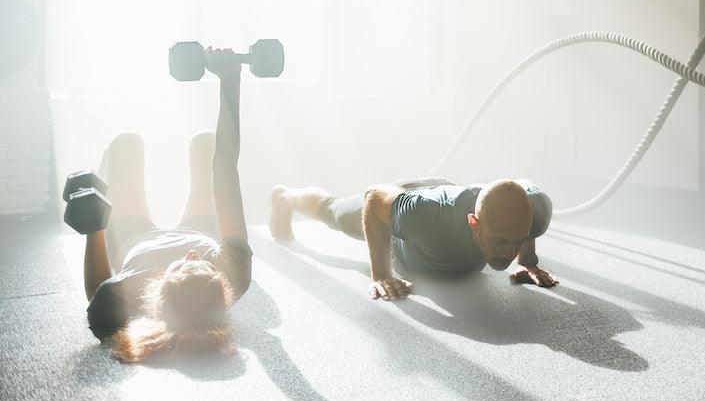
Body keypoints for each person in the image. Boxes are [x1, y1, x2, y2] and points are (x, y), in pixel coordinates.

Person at [82, 49, 252, 362]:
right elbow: (226, 168)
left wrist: (94, 225)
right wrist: (230, 80)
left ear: (158, 293)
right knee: (207, 143)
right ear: (221, 286)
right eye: (205, 265)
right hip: (200, 230)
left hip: (136, 241)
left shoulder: (132, 292)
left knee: (126, 143)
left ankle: (109, 164)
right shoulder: (235, 274)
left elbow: (98, 296)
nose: (192, 255)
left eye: (183, 265)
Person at [269, 175, 557, 299]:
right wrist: (381, 273)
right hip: (404, 205)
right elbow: (373, 197)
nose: (508, 253)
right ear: (474, 222)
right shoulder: (426, 218)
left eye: (516, 240)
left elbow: (524, 198)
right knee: (334, 213)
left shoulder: (536, 212)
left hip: (443, 191)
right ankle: (285, 198)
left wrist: (528, 260)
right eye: (499, 241)